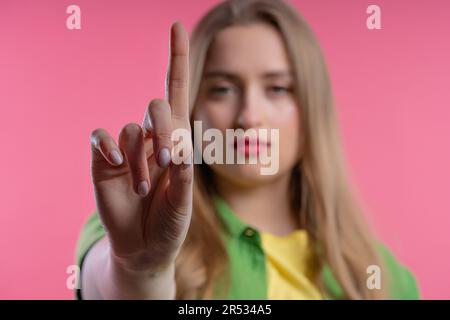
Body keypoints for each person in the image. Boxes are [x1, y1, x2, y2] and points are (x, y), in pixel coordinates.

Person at [76, 0, 419, 300]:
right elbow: (113, 288)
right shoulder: (134, 225)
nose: (250, 116)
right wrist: (141, 269)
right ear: (194, 109)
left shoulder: (385, 278)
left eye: (278, 89)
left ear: (312, 109)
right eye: (223, 89)